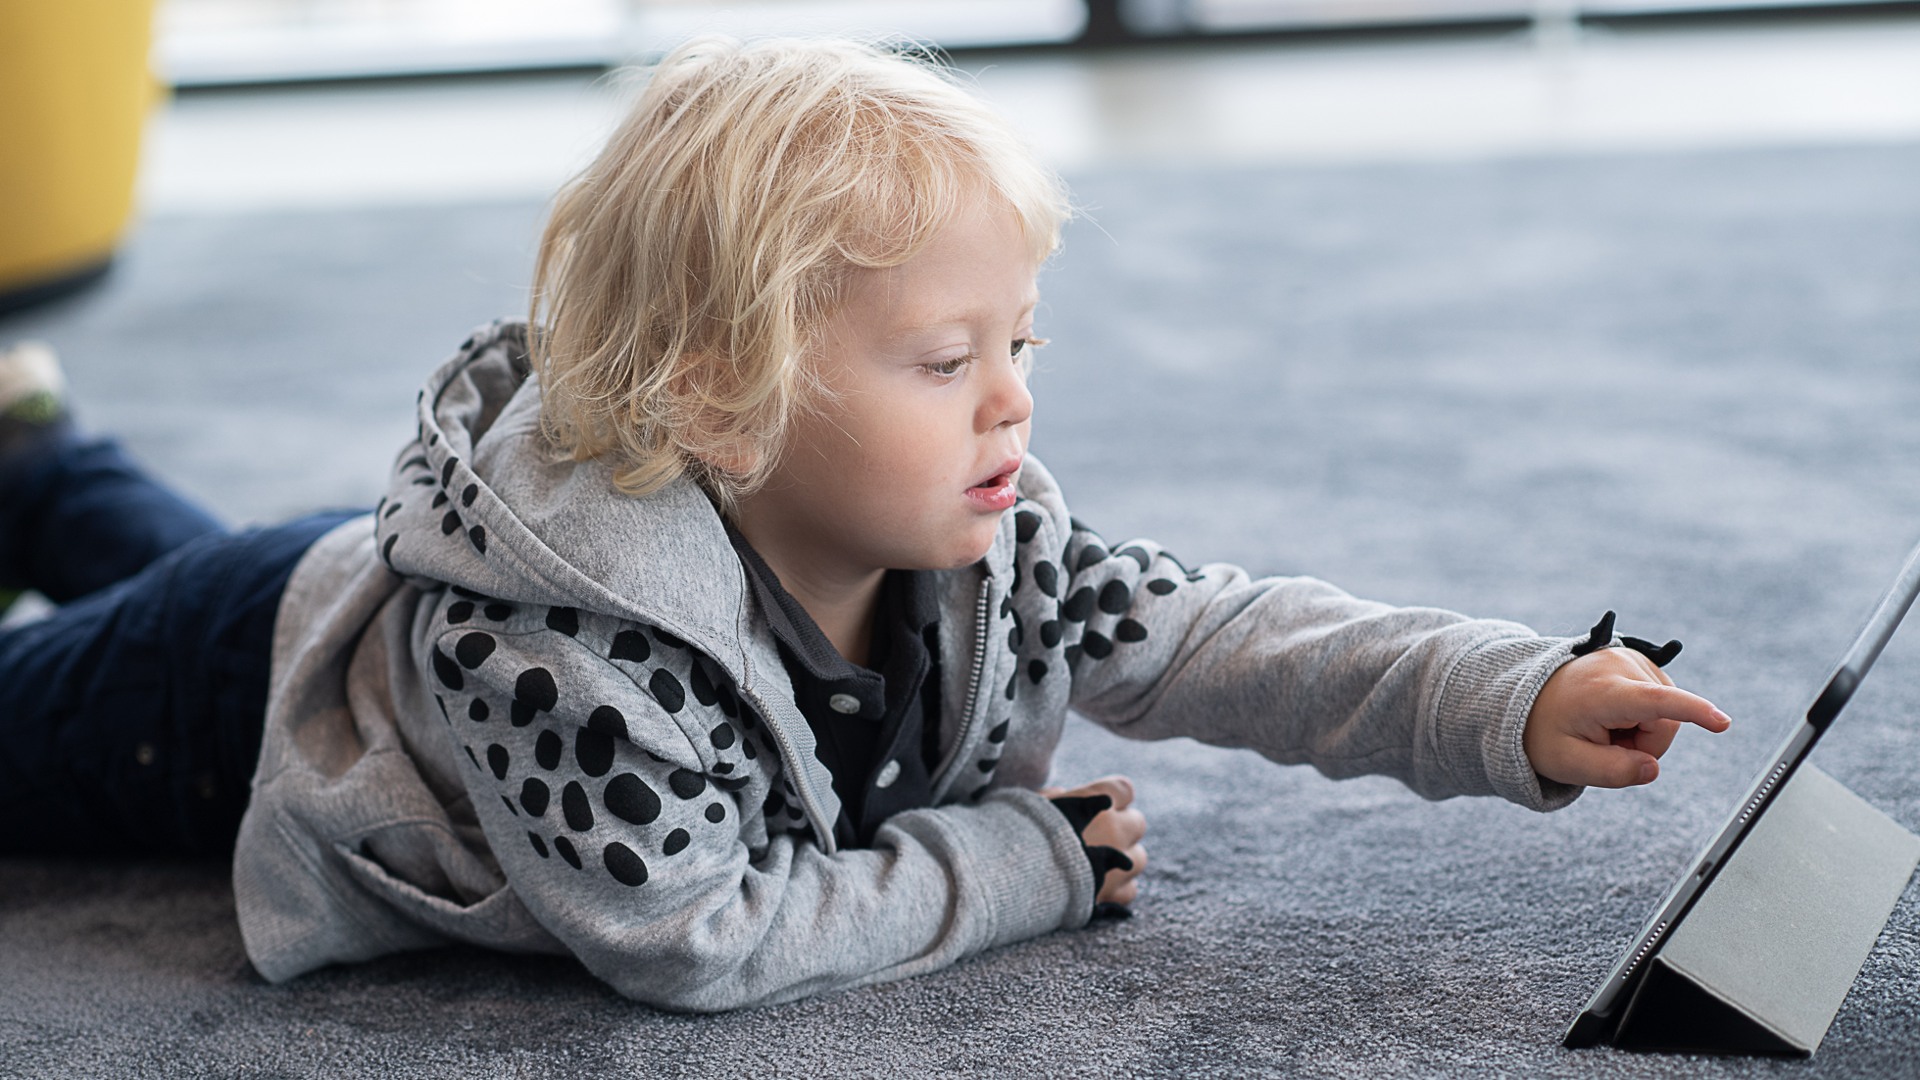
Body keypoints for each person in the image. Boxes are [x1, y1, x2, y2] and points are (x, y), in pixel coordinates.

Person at [0, 36, 1731, 1012]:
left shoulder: (988, 541)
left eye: (1020, 345)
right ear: (718, 404)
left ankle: (43, 457)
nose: (1013, 404)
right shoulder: (564, 657)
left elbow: (1216, 632)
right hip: (214, 694)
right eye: (943, 359)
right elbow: (697, 932)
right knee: (95, 672)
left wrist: (1507, 695)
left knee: (214, 547)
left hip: (336, 580)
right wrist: (1025, 863)